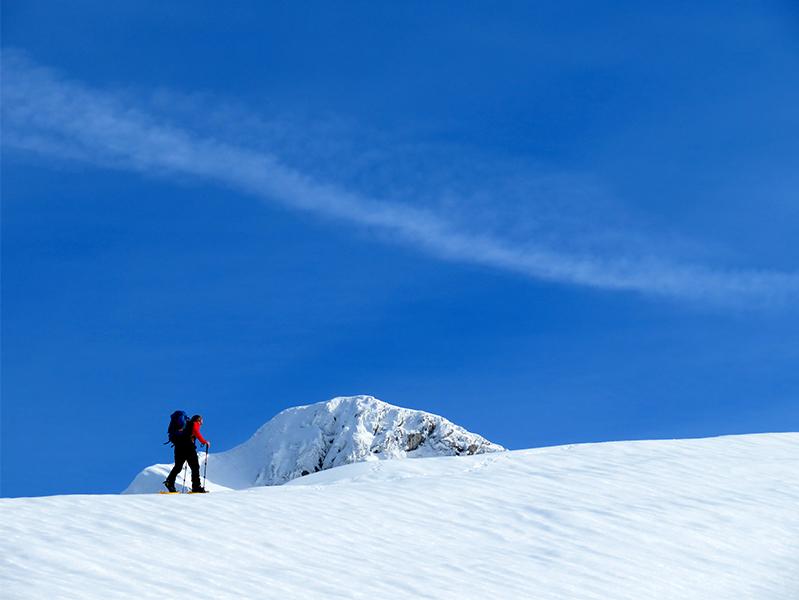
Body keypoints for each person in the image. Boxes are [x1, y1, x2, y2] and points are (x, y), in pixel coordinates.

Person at [164, 414, 211, 493]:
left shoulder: (184, 427)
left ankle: (170, 482)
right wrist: (204, 441)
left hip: (178, 448)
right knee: (195, 466)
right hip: (188, 447)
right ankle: (196, 487)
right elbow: (196, 431)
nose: (201, 424)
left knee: (178, 466)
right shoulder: (194, 423)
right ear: (198, 420)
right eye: (201, 421)